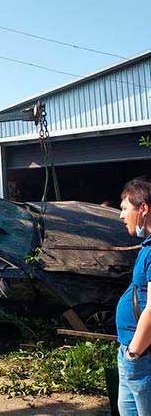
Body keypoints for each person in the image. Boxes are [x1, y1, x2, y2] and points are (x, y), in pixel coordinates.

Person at [116, 177, 151, 415]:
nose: (121, 216)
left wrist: (134, 353)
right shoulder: (147, 247)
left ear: (143, 209)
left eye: (124, 208)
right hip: (133, 351)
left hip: (142, 355)